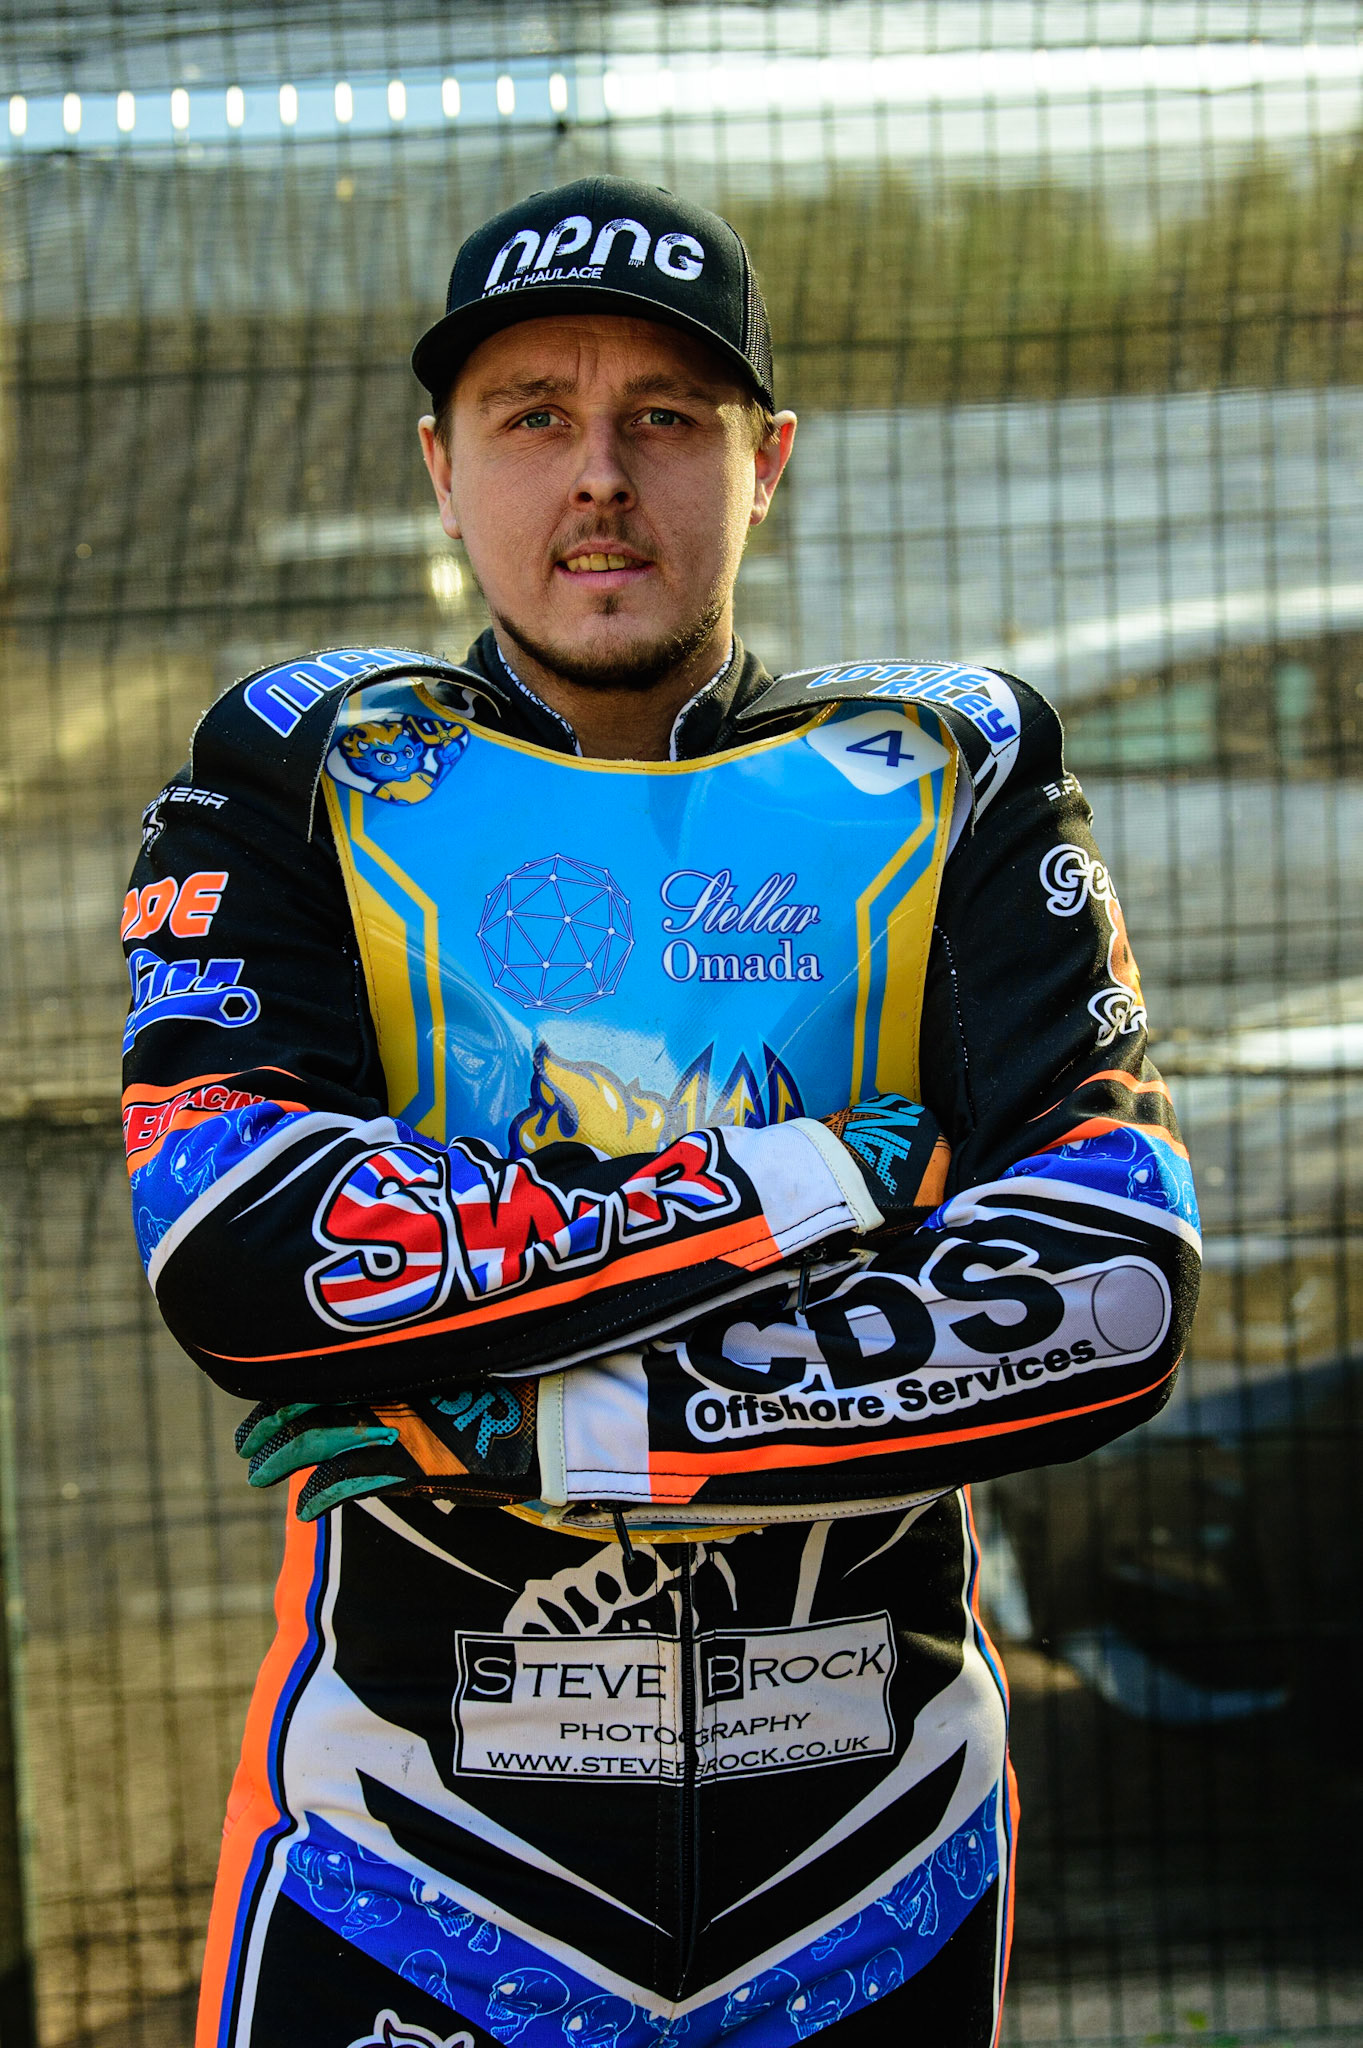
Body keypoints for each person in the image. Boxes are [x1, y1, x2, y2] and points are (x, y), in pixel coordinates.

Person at [120, 178, 1199, 2048]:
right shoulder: (288, 778)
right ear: (441, 468)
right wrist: (810, 1183)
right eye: (534, 417)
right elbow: (247, 1251)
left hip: (875, 1879)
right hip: (414, 1873)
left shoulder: (953, 779)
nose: (599, 477)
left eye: (665, 420)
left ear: (765, 460)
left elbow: (1112, 1285)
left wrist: (541, 1410)